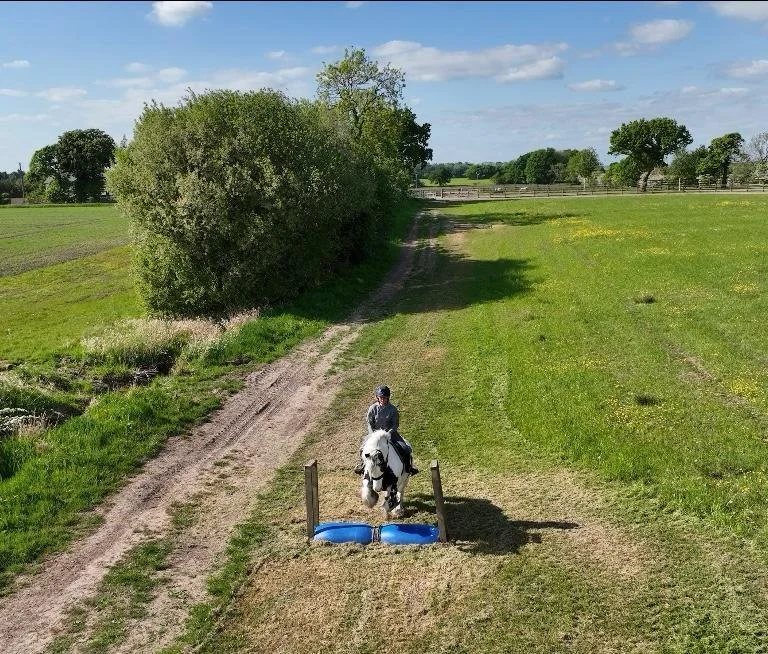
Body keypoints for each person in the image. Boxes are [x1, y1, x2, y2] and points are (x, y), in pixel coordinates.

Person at [354, 385, 418, 475]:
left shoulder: (393, 409)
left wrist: (388, 434)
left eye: (385, 397)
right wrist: (373, 435)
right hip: (374, 435)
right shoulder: (372, 408)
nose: (383, 399)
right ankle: (361, 465)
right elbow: (369, 423)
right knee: (362, 449)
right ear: (378, 397)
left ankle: (409, 467)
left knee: (405, 448)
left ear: (388, 398)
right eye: (381, 397)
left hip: (390, 434)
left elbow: (395, 424)